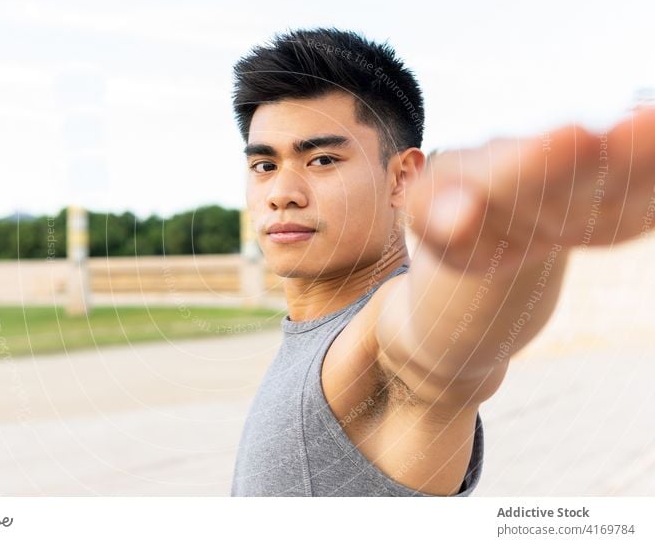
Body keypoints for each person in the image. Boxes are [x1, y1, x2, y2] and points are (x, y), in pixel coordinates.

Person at [228, 27, 655, 496]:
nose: (282, 195)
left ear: (402, 178)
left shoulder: (373, 338)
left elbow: (435, 354)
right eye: (265, 166)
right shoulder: (314, 334)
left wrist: (507, 238)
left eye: (323, 160)